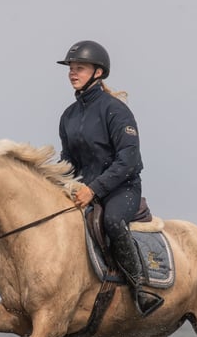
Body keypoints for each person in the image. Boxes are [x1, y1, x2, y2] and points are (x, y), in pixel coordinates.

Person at [57, 40, 164, 317]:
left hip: (121, 188)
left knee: (112, 221)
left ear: (98, 72)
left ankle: (140, 288)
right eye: (71, 68)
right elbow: (68, 160)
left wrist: (94, 189)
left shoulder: (115, 110)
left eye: (79, 68)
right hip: (84, 188)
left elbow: (128, 160)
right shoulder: (68, 116)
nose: (72, 72)